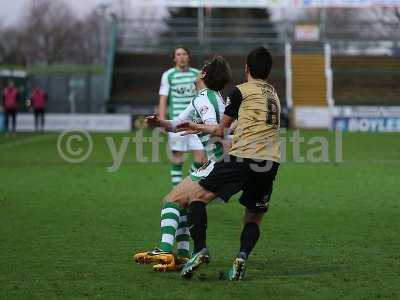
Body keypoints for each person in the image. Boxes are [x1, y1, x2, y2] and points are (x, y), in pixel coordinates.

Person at [176, 47, 281, 281]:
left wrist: (196, 126)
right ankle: (241, 257)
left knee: (196, 198)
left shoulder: (239, 91)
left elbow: (220, 130)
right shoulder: (273, 94)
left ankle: (200, 249)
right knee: (253, 216)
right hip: (271, 162)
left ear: (246, 69)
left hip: (243, 156)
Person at [133, 56, 232, 272]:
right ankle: (184, 255)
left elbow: (217, 128)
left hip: (221, 163)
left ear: (204, 74)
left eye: (201, 69)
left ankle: (164, 249)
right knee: (182, 202)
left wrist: (197, 127)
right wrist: (159, 122)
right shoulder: (204, 98)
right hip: (220, 162)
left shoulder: (206, 99)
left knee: (172, 200)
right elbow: (178, 123)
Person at [159, 46, 206, 187]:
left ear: (188, 56)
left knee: (201, 159)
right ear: (174, 58)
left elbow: (203, 96)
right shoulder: (168, 75)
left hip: (195, 124)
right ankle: (176, 191)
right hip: (177, 123)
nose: (181, 57)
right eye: (178, 54)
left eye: (184, 54)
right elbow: (163, 98)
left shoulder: (197, 74)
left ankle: (186, 184)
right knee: (178, 157)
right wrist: (162, 121)